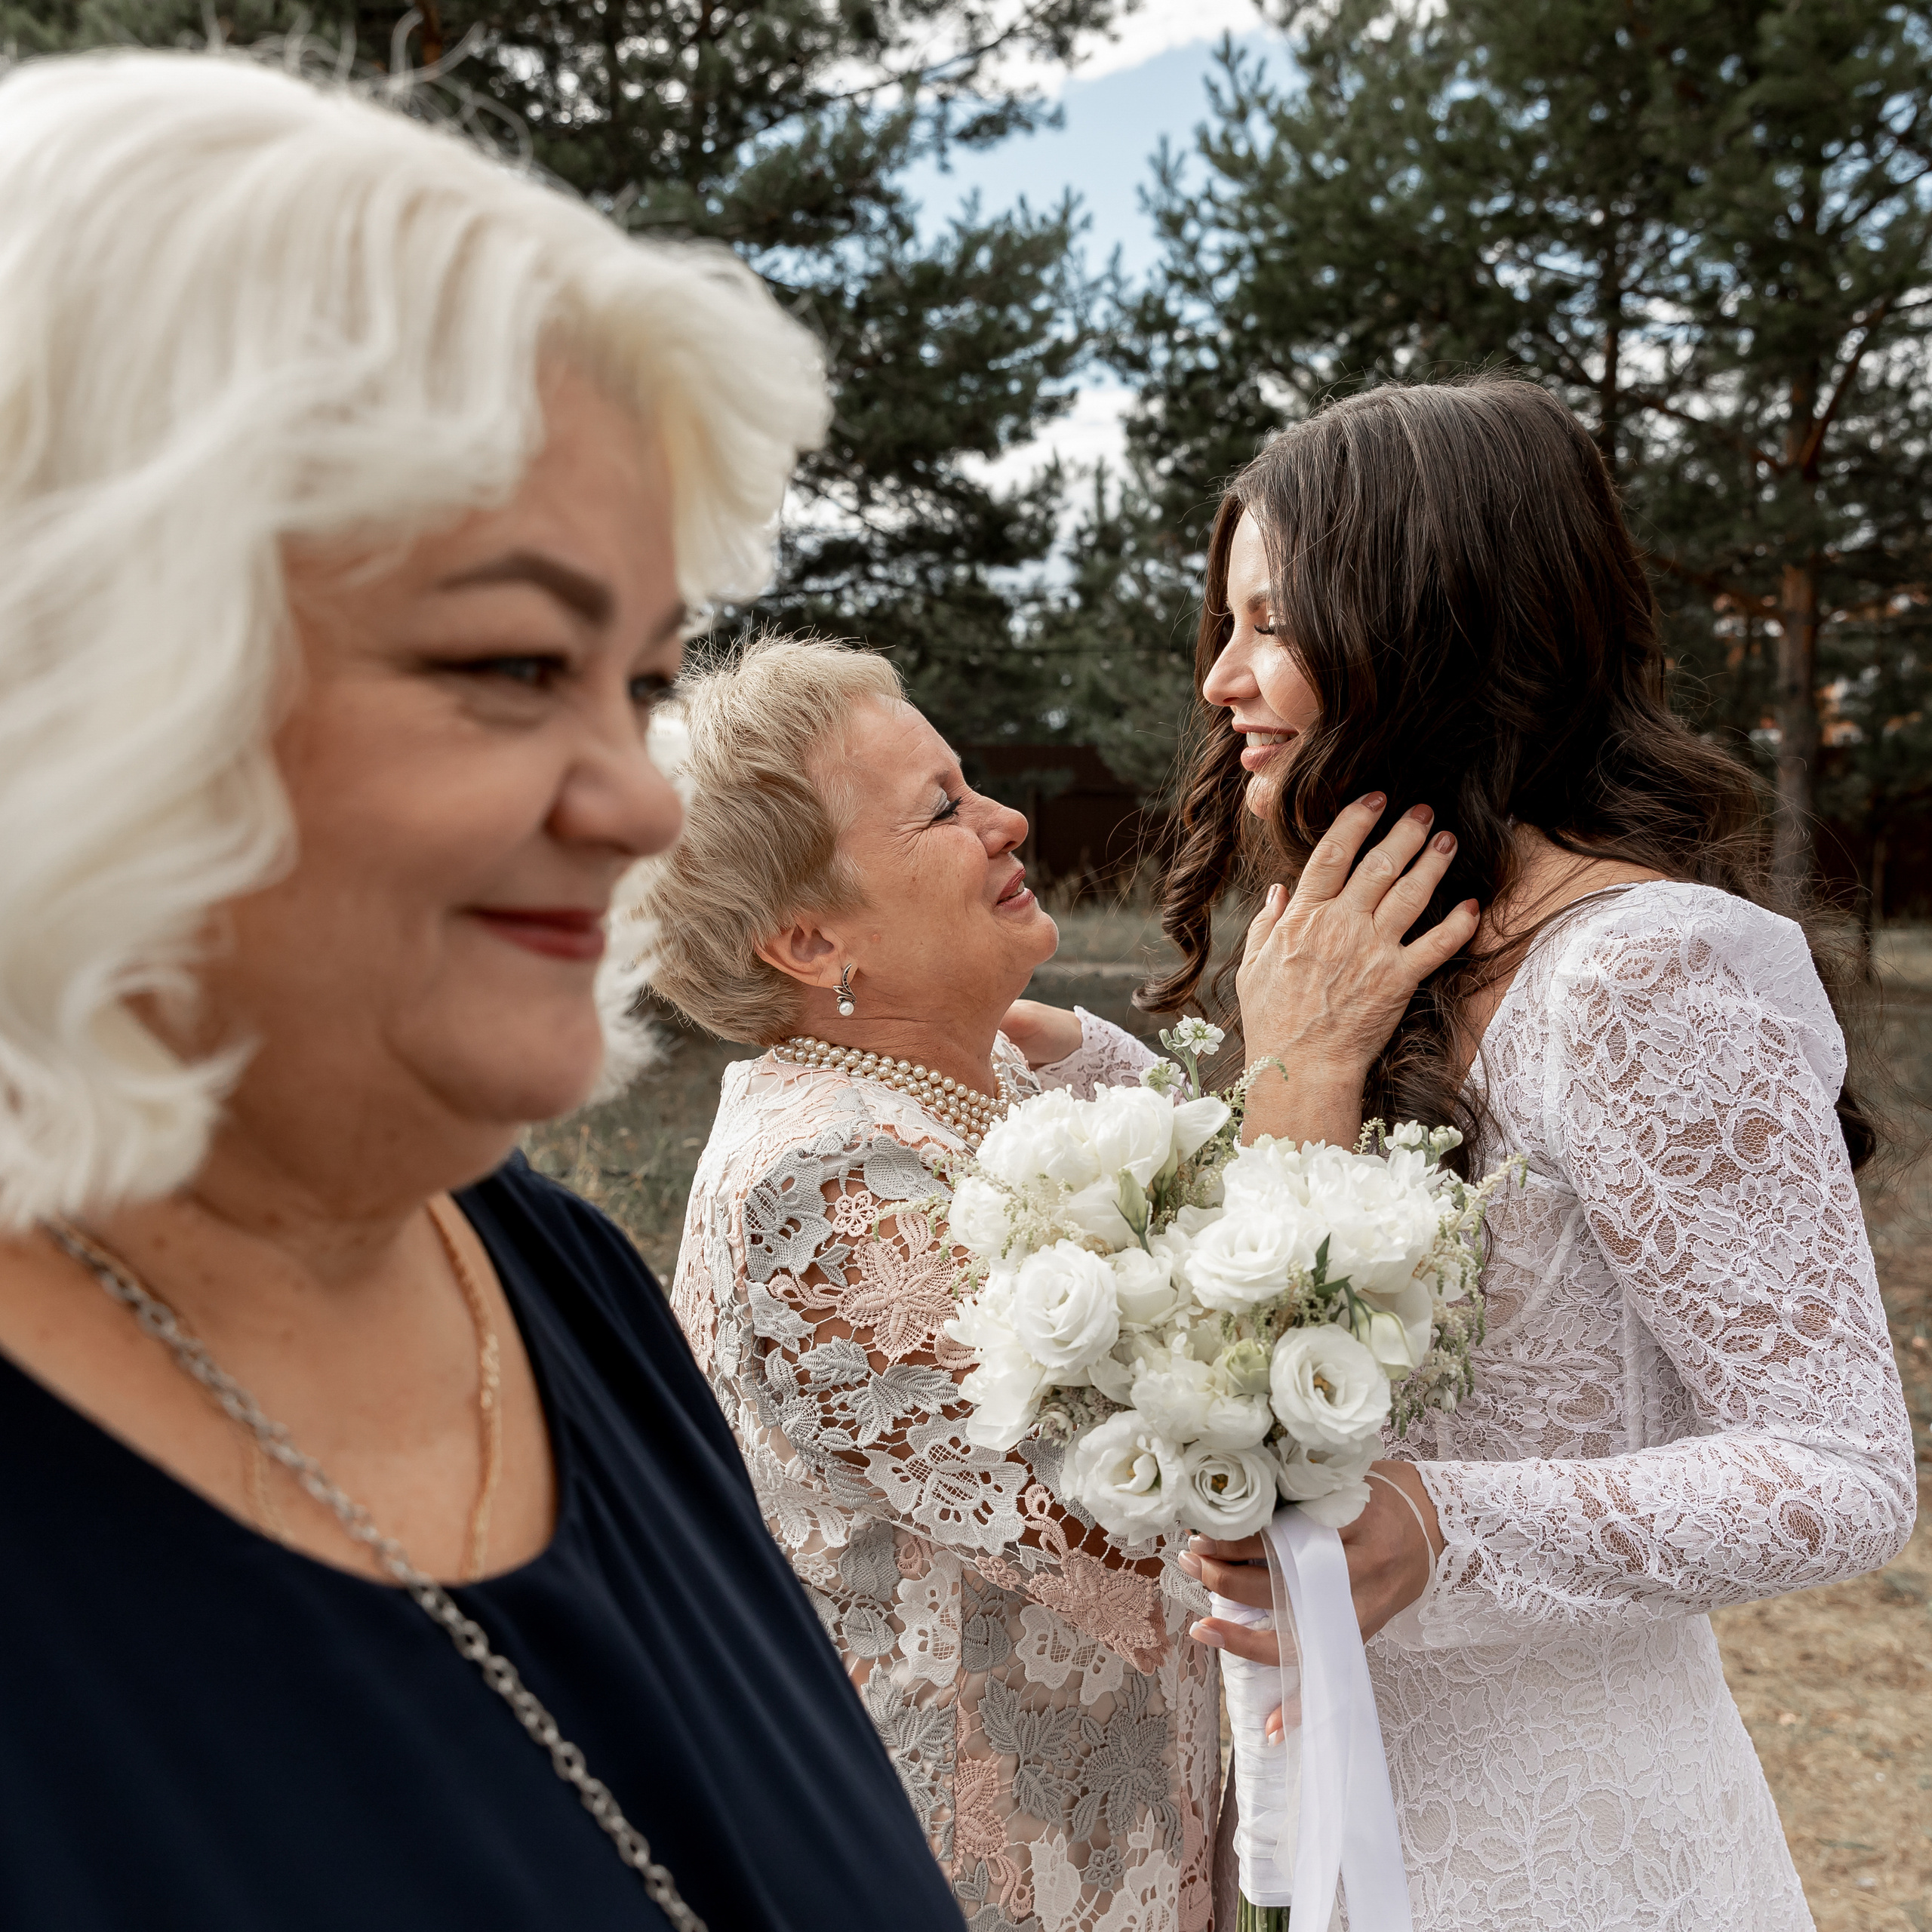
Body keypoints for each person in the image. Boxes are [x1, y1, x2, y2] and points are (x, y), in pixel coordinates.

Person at [0, 48, 966, 1931]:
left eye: (641, 682)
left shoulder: (560, 1289)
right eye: (516, 663)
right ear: (79, 676)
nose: (634, 800)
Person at [1167, 376, 1917, 1930]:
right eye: (1219, 628)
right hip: (1357, 1822)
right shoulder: (1370, 963)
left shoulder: (1635, 979)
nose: (1222, 679)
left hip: (1576, 1846)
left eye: (1270, 624)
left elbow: (1843, 1473)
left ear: (1426, 620)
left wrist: (1443, 1524)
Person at [637, 635, 1476, 1931]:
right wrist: (1305, 1065)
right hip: (971, 1877)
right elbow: (1209, 1493)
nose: (1007, 818)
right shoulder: (826, 1188)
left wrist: (1080, 1053)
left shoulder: (958, 1089)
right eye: (942, 811)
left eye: (965, 783)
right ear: (809, 938)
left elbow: (1168, 1228)